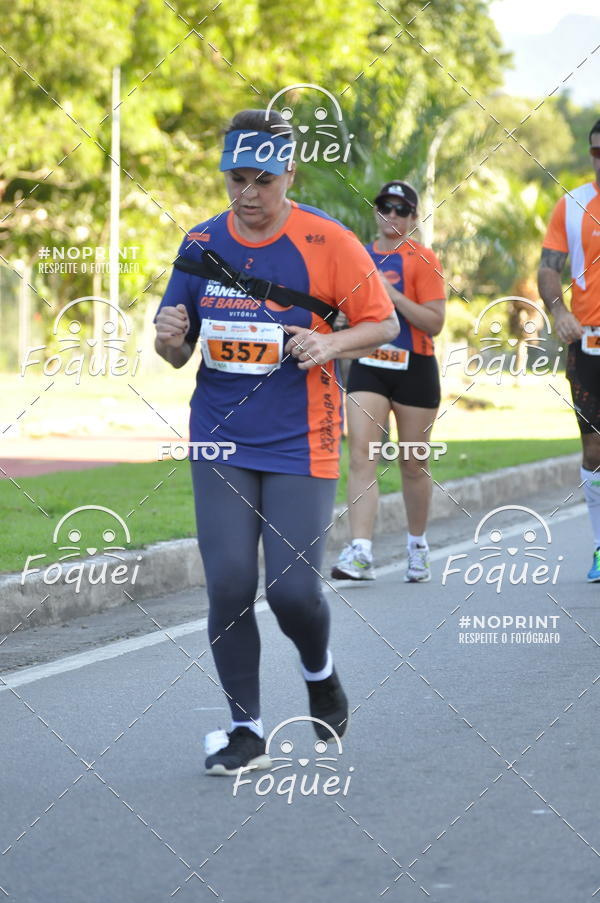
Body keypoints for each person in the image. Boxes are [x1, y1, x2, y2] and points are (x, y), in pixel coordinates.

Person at [154, 109, 398, 775]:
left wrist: (331, 341)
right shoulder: (201, 242)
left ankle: (320, 673)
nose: (249, 193)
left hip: (303, 437)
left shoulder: (329, 241)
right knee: (230, 583)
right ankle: (245, 728)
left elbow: (380, 324)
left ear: (290, 172)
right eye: (237, 178)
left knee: (292, 591)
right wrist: (170, 336)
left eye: (263, 179)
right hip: (220, 435)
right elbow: (175, 346)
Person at [331, 181, 446, 583]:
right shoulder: (357, 256)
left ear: (414, 218)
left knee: (413, 463)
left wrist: (391, 295)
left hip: (415, 366)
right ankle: (360, 551)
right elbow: (339, 308)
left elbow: (435, 322)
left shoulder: (424, 258)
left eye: (401, 210)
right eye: (385, 207)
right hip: (369, 364)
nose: (392, 216)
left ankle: (418, 545)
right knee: (362, 456)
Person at [538, 118, 600, 582]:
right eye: (596, 151)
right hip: (589, 343)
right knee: (595, 448)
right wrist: (559, 311)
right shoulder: (573, 205)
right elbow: (548, 269)